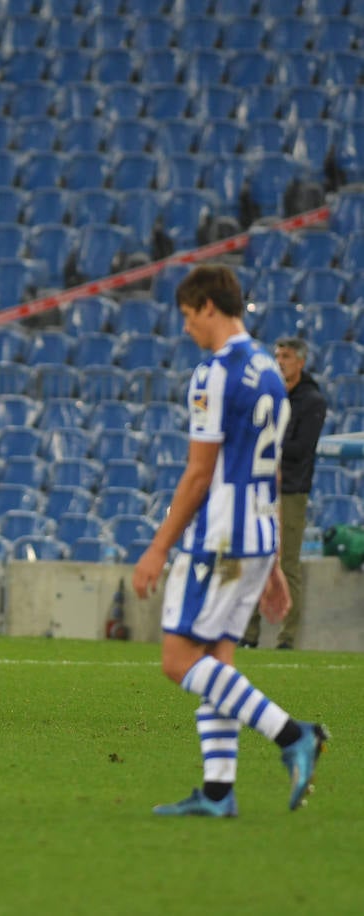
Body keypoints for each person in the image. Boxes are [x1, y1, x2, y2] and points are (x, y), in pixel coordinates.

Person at [132, 265, 329, 818]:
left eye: (189, 317)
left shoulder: (214, 373)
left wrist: (157, 547)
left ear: (210, 309)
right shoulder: (269, 369)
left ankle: (293, 735)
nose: (188, 329)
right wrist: (271, 564)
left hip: (221, 535)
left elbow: (199, 474)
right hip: (258, 531)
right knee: (218, 658)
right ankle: (219, 792)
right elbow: (268, 472)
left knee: (178, 660)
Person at [242, 337, 326, 650]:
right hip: (262, 487)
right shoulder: (271, 394)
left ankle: (287, 638)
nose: (280, 361)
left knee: (287, 564)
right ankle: (248, 634)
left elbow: (301, 449)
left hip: (290, 492)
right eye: (277, 355)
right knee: (253, 559)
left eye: (286, 356)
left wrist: (264, 445)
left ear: (300, 362)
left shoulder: (312, 401)